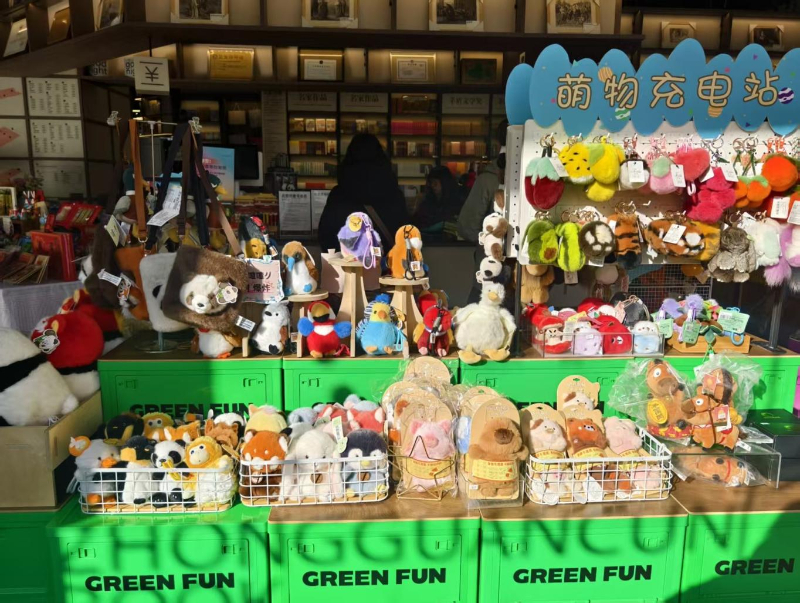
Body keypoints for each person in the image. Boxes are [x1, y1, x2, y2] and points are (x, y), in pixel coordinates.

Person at [318, 133, 410, 251]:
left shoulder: (339, 196)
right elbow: (405, 234)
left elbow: (326, 237)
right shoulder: (394, 195)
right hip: (386, 260)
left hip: (348, 261)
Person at [457, 119, 507, 303]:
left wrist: (486, 240)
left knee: (479, 313)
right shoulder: (537, 178)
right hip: (528, 274)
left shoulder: (487, 180)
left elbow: (466, 226)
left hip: (489, 267)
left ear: (498, 144)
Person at [413, 166, 465, 233]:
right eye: (431, 182)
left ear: (445, 183)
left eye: (435, 183)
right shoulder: (427, 201)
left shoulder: (456, 203)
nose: (432, 185)